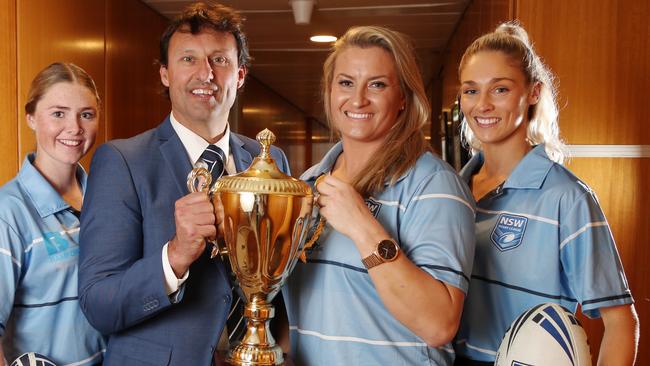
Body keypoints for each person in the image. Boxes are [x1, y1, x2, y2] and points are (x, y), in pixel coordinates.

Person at [77, 2, 289, 365]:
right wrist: (174, 256)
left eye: (219, 60)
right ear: (164, 74)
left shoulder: (269, 161)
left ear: (240, 75)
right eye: (188, 59)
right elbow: (99, 304)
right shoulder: (122, 162)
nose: (205, 74)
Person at [281, 26, 476, 365]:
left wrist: (362, 226)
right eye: (345, 83)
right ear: (329, 92)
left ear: (403, 97)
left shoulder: (435, 186)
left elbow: (438, 323)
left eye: (377, 84)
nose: (357, 99)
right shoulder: (307, 184)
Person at [453, 22, 639, 365]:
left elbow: (621, 322)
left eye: (500, 90)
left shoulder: (567, 198)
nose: (482, 105)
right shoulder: (453, 191)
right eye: (471, 90)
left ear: (533, 92)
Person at [0, 62, 106, 366]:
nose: (74, 128)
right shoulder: (9, 213)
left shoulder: (107, 199)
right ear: (31, 117)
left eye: (86, 114)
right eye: (58, 113)